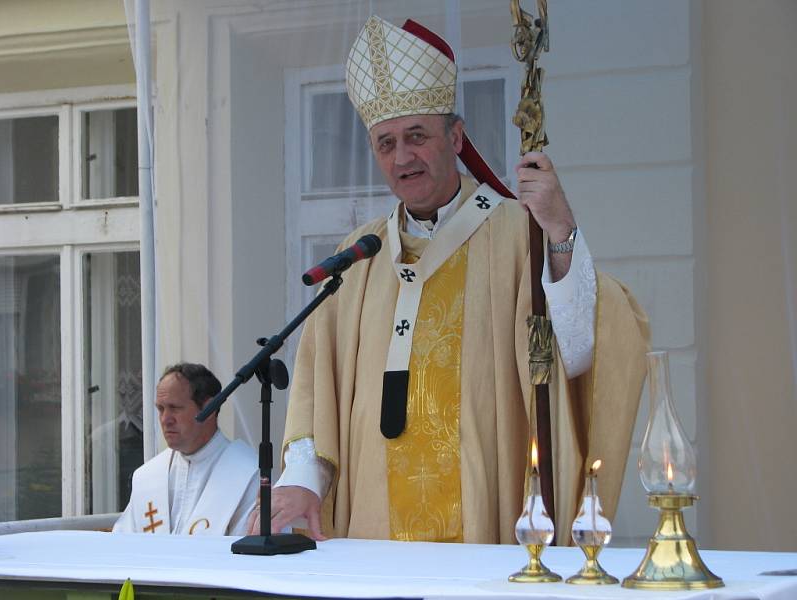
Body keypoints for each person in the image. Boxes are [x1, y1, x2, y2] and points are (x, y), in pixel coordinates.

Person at [249, 15, 649, 544]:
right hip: (374, 529)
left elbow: (578, 352)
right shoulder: (358, 255)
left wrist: (559, 229)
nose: (402, 157)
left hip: (487, 516)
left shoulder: (516, 233)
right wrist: (302, 483)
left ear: (456, 137)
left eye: (417, 136)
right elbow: (316, 388)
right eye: (386, 143)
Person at [113, 363, 258, 536]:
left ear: (209, 409)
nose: (165, 419)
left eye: (175, 408)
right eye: (160, 409)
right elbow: (123, 544)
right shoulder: (148, 476)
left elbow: (246, 554)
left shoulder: (247, 474)